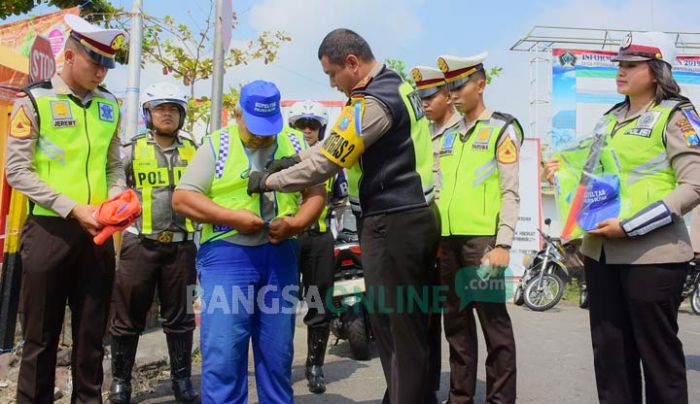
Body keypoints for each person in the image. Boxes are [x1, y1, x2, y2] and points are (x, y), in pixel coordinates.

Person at [248, 29, 440, 403]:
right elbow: (332, 143)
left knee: (397, 326)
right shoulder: (395, 86)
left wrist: (269, 179)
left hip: (395, 222)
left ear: (352, 62)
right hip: (408, 218)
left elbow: (328, 162)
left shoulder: (374, 103)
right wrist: (294, 157)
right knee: (400, 324)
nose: (332, 83)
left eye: (332, 74)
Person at [543, 32, 700, 404]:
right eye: (619, 64)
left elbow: (693, 185)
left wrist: (630, 226)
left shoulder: (678, 116)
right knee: (610, 358)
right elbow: (592, 177)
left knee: (659, 360)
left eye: (631, 65)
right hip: (602, 255)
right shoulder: (609, 118)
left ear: (657, 70)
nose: (621, 71)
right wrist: (559, 176)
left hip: (653, 257)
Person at [171, 80, 326, 403]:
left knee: (277, 354)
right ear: (239, 114)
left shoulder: (294, 142)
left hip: (280, 255)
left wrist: (296, 224)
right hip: (228, 257)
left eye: (268, 128)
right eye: (254, 127)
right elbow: (183, 199)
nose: (262, 135)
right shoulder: (217, 145)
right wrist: (231, 217)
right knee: (224, 353)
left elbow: (316, 193)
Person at [4, 14, 126, 403]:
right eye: (96, 63)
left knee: (92, 337)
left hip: (99, 233)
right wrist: (74, 208)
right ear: (70, 55)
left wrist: (117, 196)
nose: (102, 73)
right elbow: (16, 171)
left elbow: (114, 163)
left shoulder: (110, 106)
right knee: (41, 337)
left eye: (108, 65)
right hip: (48, 232)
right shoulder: (34, 101)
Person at [436, 53, 522, 404]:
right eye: (450, 87)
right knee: (455, 327)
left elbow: (510, 191)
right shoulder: (446, 136)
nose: (454, 93)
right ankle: (460, 397)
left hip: (482, 244)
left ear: (481, 85)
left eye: (460, 85)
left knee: (494, 326)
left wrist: (503, 243)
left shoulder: (502, 128)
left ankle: (500, 400)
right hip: (447, 244)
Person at [108, 82, 199, 403]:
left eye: (174, 109)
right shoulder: (131, 150)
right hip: (139, 245)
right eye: (160, 108)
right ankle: (120, 382)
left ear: (182, 115)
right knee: (127, 315)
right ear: (147, 113)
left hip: (182, 247)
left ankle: (182, 381)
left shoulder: (195, 150)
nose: (167, 114)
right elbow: (114, 179)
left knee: (182, 318)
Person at [286, 100, 348, 394]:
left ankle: (315, 366)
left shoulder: (331, 162)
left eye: (312, 125)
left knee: (319, 304)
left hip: (319, 240)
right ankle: (278, 365)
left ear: (321, 129)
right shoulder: (284, 157)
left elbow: (340, 200)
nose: (307, 130)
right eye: (301, 125)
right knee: (280, 303)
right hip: (287, 240)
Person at [410, 65, 461, 398]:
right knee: (423, 319)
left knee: (459, 325)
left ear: (447, 95)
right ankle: (424, 390)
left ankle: (461, 392)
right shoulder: (420, 134)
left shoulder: (467, 129)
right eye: (421, 98)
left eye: (430, 96)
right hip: (424, 236)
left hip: (456, 238)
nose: (425, 104)